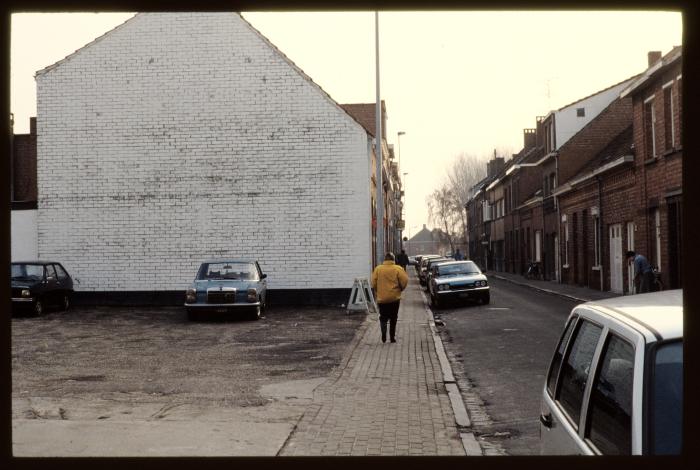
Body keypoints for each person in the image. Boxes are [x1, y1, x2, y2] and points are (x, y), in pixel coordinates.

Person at [371, 252, 409, 343]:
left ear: (385, 259)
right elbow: (405, 280)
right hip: (394, 298)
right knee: (393, 317)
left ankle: (383, 335)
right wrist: (400, 289)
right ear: (393, 259)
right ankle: (392, 337)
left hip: (382, 298)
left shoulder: (378, 269)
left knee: (383, 317)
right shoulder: (398, 268)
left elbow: (373, 282)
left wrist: (378, 291)